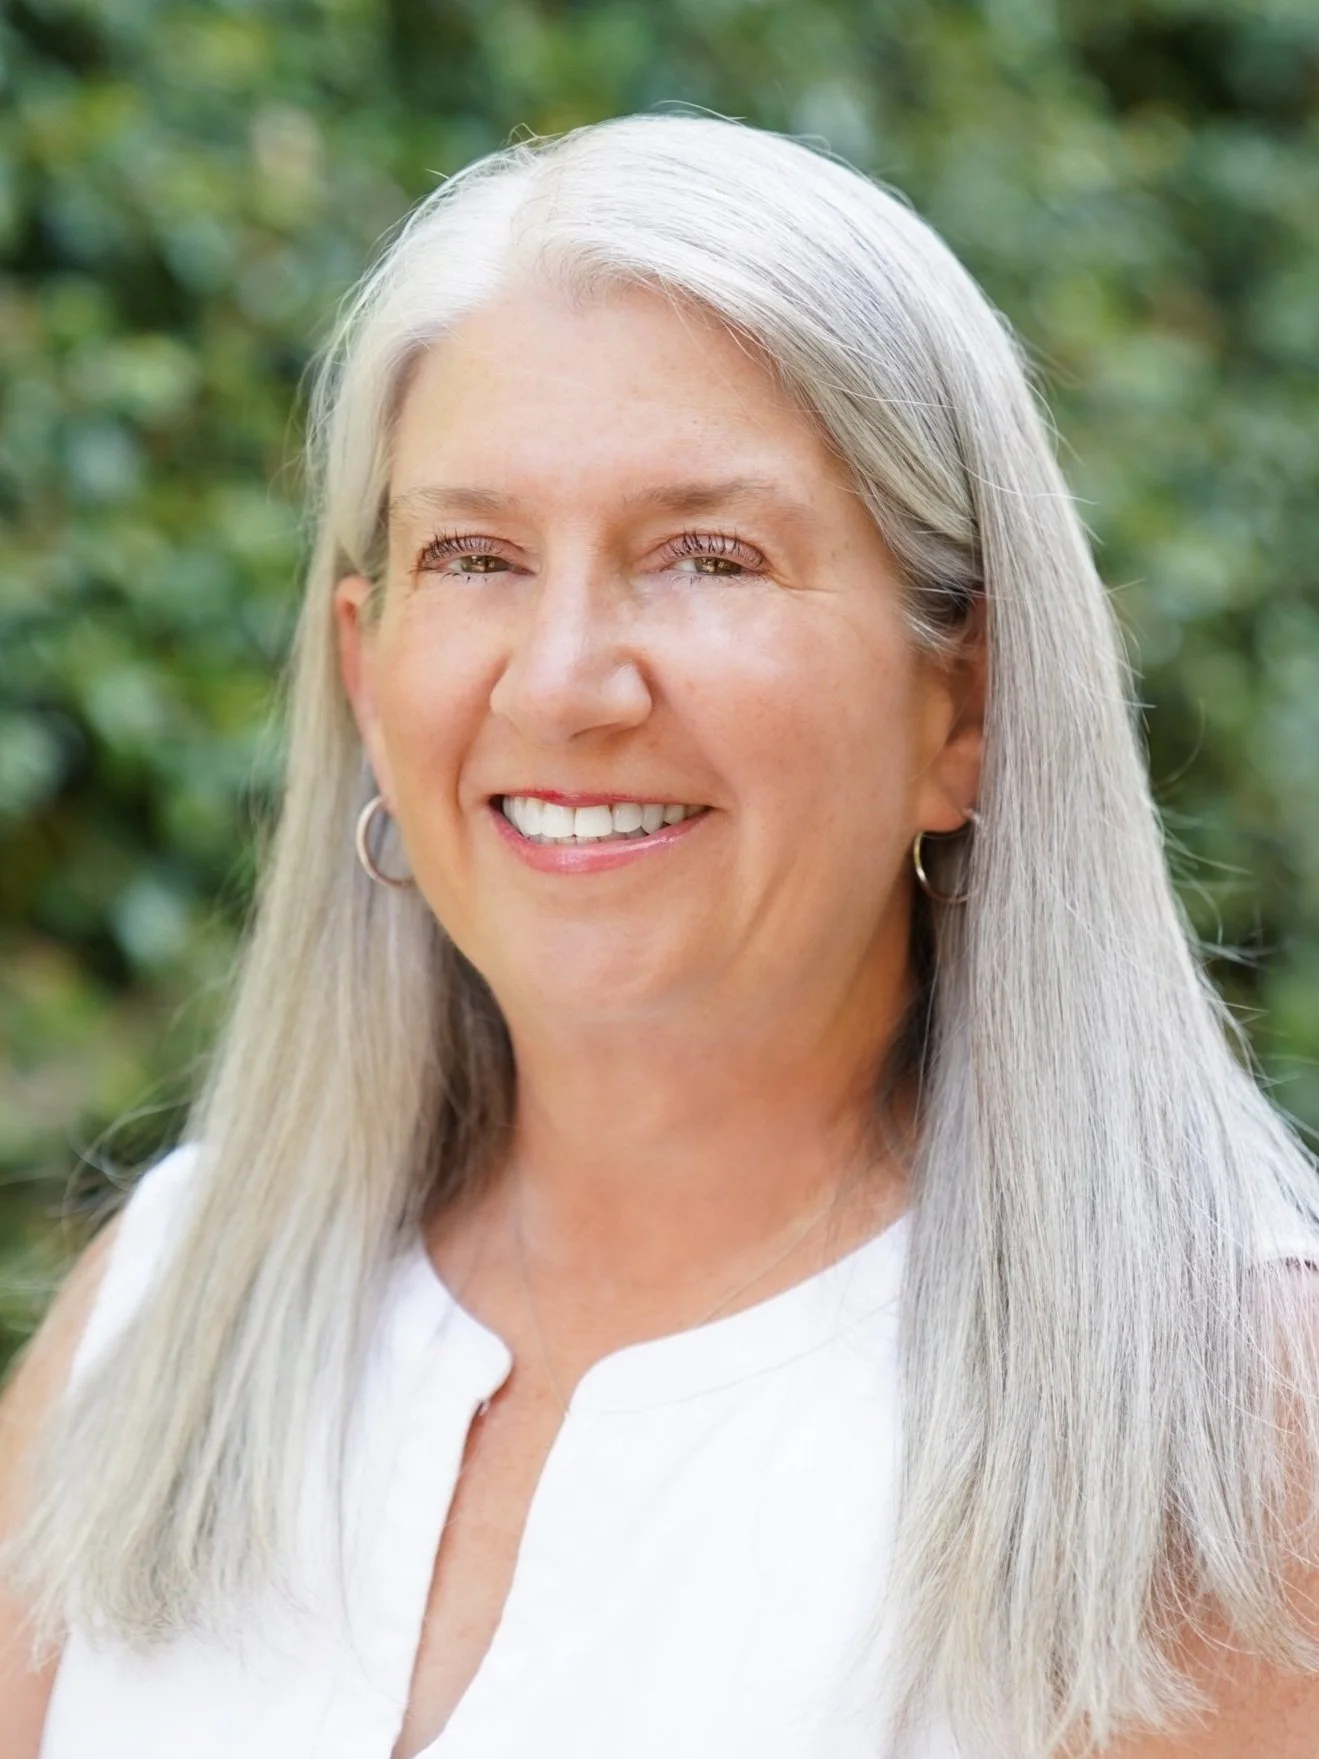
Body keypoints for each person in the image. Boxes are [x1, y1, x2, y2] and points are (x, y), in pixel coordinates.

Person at [3, 112, 1319, 1759]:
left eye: (707, 555)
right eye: (472, 557)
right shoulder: (157, 1315)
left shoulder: (1222, 1428)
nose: (560, 681)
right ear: (364, 669)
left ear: (963, 702)